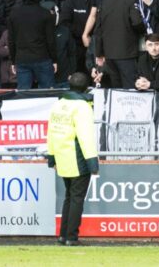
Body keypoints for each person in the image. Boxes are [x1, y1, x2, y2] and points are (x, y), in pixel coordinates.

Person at [46, 71, 100, 246]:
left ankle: (63, 235)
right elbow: (85, 136)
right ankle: (71, 237)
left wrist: (52, 157)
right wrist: (93, 162)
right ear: (85, 88)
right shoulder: (82, 106)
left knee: (69, 197)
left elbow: (51, 133)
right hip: (77, 157)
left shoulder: (58, 104)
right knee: (77, 198)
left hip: (62, 156)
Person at [7, 0, 57, 89]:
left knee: (23, 95)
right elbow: (51, 40)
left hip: (22, 59)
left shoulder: (14, 14)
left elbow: (11, 40)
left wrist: (13, 61)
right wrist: (54, 59)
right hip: (42, 57)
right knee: (47, 93)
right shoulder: (45, 14)